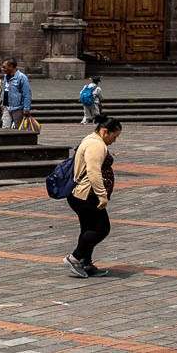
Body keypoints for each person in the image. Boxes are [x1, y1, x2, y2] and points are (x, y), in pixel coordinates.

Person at [64, 116, 121, 278]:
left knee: (88, 228)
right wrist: (102, 196)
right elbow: (93, 172)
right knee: (101, 228)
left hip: (81, 194)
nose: (114, 140)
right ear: (104, 131)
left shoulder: (92, 140)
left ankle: (85, 262)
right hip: (86, 194)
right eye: (114, 136)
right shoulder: (96, 145)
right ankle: (74, 257)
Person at [3, 59, 33, 131]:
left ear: (11, 67)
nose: (3, 69)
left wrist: (26, 108)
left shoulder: (21, 77)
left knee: (17, 128)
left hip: (17, 108)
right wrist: (2, 104)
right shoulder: (5, 77)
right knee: (5, 127)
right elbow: (4, 91)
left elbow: (27, 94)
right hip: (7, 106)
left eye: (4, 67)